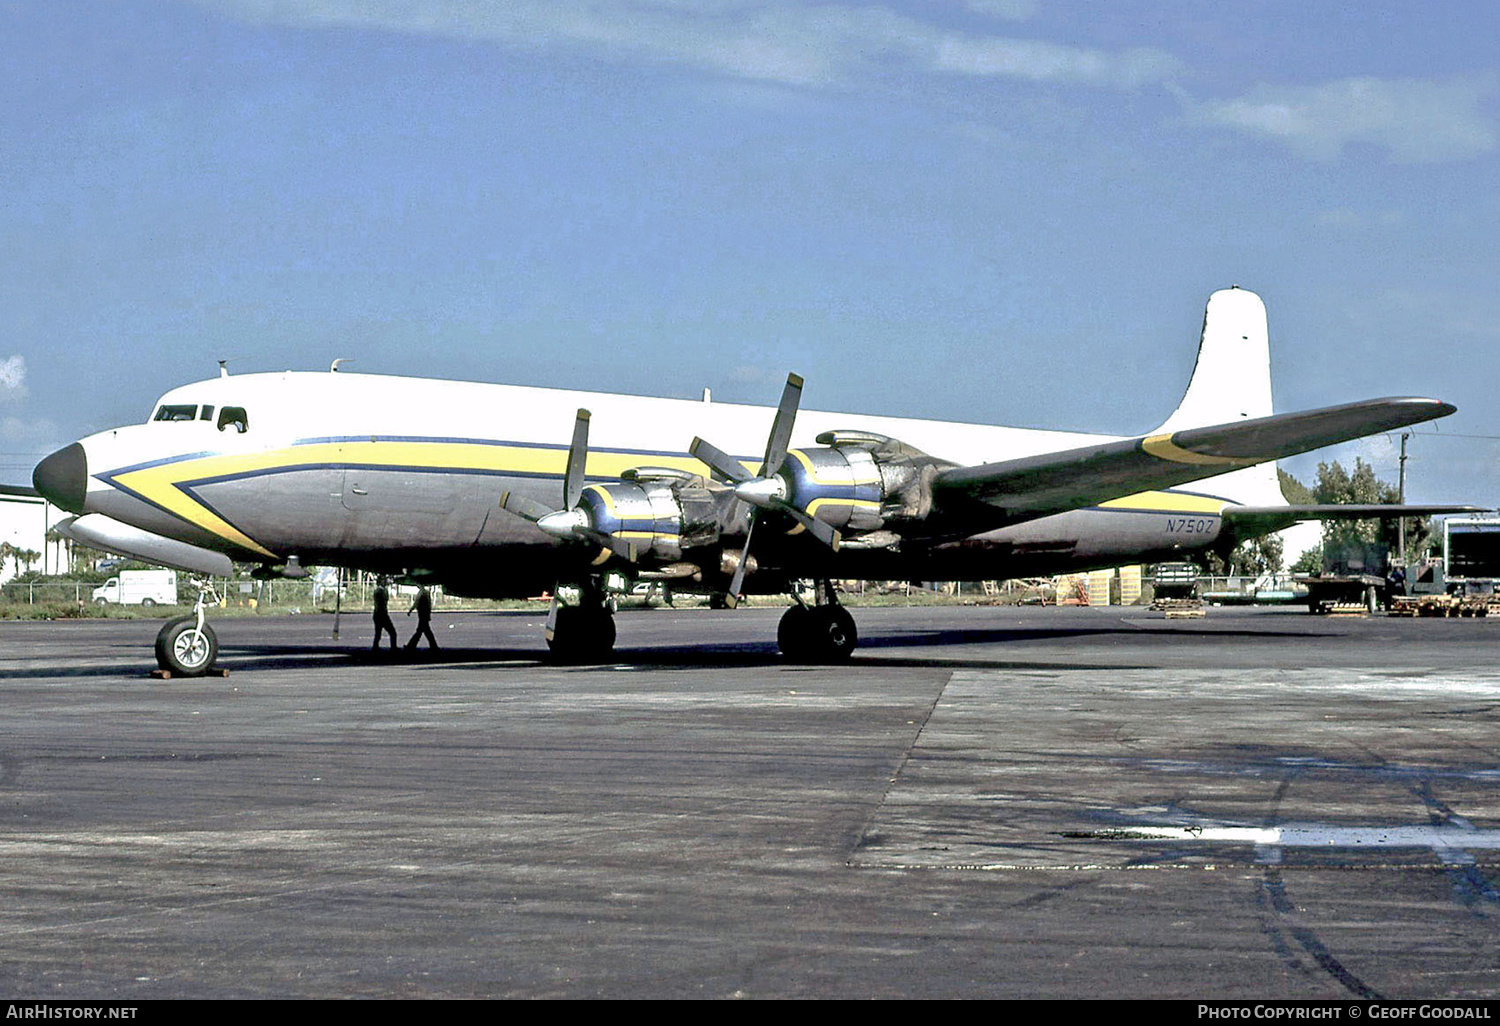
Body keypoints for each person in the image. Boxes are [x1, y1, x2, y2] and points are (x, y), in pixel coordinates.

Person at [405, 585, 439, 653]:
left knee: (421, 631)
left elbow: (419, 603)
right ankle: (433, 646)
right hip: (422, 614)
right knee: (425, 631)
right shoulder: (423, 592)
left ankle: (411, 646)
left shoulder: (423, 593)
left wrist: (411, 610)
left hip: (423, 614)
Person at [371, 577, 398, 652]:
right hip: (381, 614)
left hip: (379, 614)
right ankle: (393, 648)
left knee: (378, 633)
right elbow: (381, 604)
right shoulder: (379, 592)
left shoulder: (381, 590)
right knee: (392, 632)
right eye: (384, 580)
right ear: (381, 582)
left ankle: (375, 648)